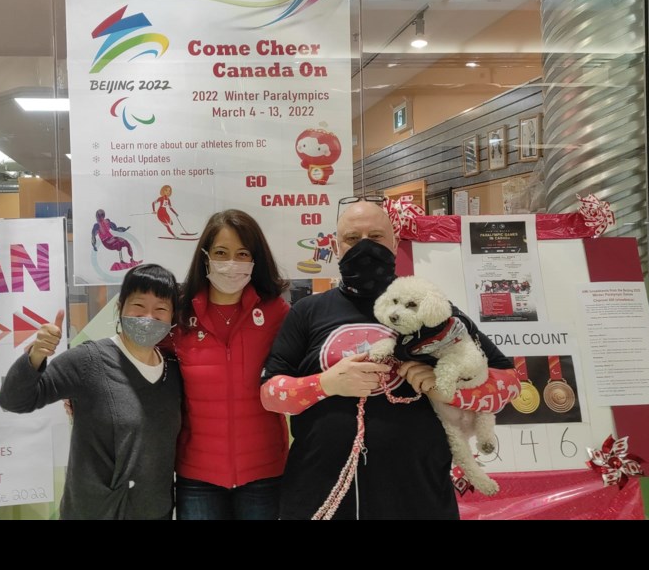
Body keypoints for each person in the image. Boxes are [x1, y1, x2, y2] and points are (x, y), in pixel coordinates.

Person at [260, 199, 519, 520]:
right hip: (322, 491)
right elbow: (270, 394)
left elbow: (509, 383)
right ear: (336, 246)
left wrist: (450, 392)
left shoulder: (432, 310)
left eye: (376, 236)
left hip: (417, 494)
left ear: (395, 243)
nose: (365, 246)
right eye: (353, 238)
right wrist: (326, 383)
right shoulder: (308, 312)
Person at [0, 263, 181, 520]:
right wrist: (37, 354)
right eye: (138, 306)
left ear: (172, 316)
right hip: (93, 512)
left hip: (155, 512)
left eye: (161, 308)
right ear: (120, 308)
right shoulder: (89, 360)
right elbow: (14, 400)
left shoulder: (173, 372)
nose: (148, 317)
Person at [172, 209, 290, 519]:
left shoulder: (276, 313)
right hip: (198, 476)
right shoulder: (179, 314)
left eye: (242, 254)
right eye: (221, 253)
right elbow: (137, 356)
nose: (231, 263)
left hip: (264, 472)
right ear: (205, 257)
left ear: (255, 259)